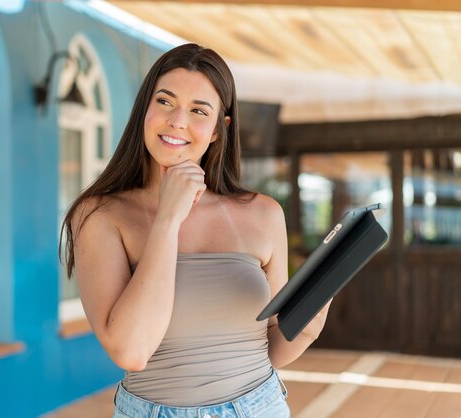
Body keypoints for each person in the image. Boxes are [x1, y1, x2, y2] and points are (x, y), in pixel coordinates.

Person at [60, 43, 330, 418]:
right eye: (165, 102)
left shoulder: (264, 215)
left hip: (260, 406)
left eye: (199, 110)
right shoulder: (100, 216)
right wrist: (168, 219)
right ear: (145, 110)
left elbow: (272, 348)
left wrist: (309, 325)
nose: (177, 121)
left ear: (220, 129)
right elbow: (131, 351)